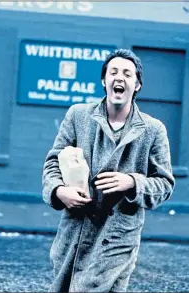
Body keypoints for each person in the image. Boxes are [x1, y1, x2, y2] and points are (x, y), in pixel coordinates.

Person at [42, 48, 175, 292]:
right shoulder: (78, 116)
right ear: (104, 81)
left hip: (117, 238)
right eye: (113, 72)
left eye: (127, 73)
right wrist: (59, 191)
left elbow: (164, 184)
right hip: (75, 233)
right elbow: (53, 162)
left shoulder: (154, 130)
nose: (119, 77)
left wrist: (132, 182)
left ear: (137, 85)